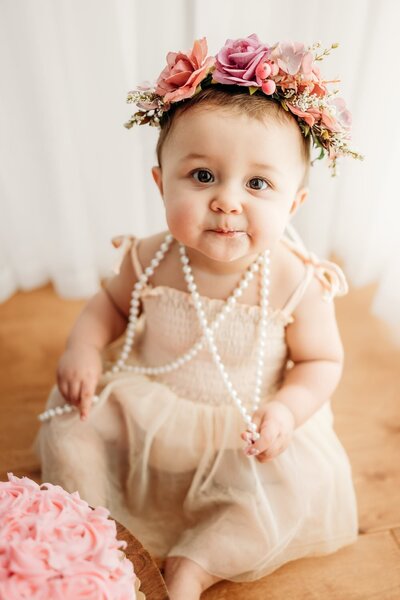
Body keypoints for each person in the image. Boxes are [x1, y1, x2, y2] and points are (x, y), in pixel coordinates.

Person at [35, 34, 363, 600]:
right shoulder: (150, 257)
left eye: (258, 183)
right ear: (161, 184)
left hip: (245, 433)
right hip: (148, 410)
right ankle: (97, 539)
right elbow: (108, 307)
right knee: (71, 424)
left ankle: (197, 563)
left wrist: (286, 412)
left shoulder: (297, 280)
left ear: (293, 205)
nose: (227, 201)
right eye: (203, 176)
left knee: (292, 492)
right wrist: (83, 350)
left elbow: (321, 360)